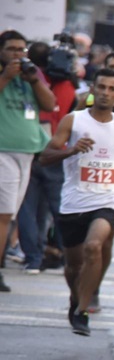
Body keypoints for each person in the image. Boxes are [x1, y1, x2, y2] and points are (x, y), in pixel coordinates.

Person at [40, 68, 114, 334]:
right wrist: (71, 150)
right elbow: (45, 156)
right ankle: (76, 298)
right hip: (73, 202)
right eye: (101, 87)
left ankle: (82, 310)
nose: (105, 93)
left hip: (107, 201)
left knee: (95, 247)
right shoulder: (74, 121)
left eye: (111, 89)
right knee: (73, 267)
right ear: (92, 89)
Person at [0, 30, 56, 292]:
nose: (18, 54)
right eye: (12, 49)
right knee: (5, 214)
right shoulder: (5, 75)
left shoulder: (30, 75)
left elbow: (50, 103)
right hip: (4, 151)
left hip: (28, 154)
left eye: (22, 49)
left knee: (9, 215)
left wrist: (33, 80)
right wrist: (5, 77)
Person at [17, 38, 77, 275]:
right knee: (59, 207)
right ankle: (65, 251)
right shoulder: (68, 86)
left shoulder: (28, 80)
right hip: (57, 152)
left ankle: (33, 257)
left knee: (29, 209)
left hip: (35, 149)